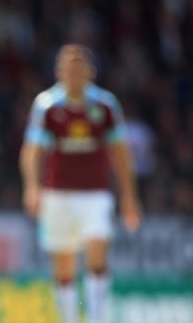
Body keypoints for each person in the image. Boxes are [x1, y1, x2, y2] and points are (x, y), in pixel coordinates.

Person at [19, 44, 142, 323]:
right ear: (59, 72)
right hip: (57, 195)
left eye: (79, 68)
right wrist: (32, 187)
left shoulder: (105, 106)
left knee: (97, 253)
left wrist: (129, 196)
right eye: (68, 68)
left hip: (96, 194)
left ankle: (98, 318)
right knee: (64, 265)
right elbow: (32, 151)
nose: (74, 74)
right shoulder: (47, 106)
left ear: (90, 73)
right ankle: (70, 318)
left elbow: (121, 153)